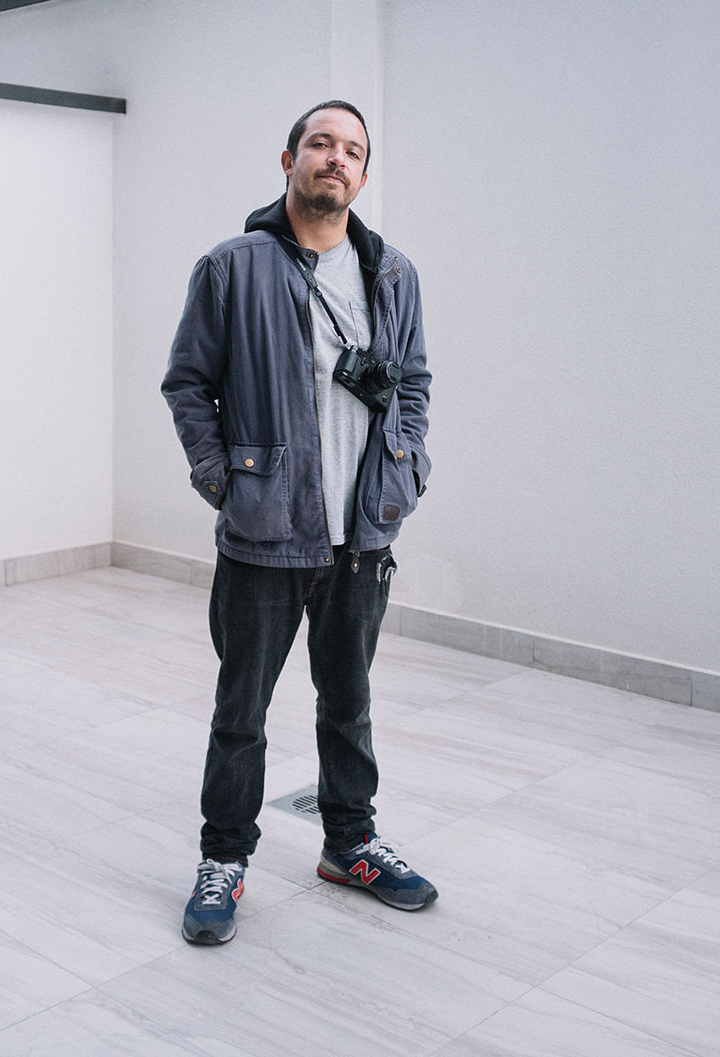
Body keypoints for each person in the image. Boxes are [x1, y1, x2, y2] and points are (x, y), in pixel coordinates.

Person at [162, 99, 437, 945]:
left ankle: (349, 843)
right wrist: (225, 483)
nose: (336, 158)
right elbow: (187, 385)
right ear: (288, 160)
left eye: (353, 149)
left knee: (347, 703)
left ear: (363, 171)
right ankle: (224, 858)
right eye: (321, 143)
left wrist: (406, 471)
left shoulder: (393, 274)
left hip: (363, 537)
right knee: (241, 708)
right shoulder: (231, 267)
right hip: (264, 533)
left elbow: (416, 385)